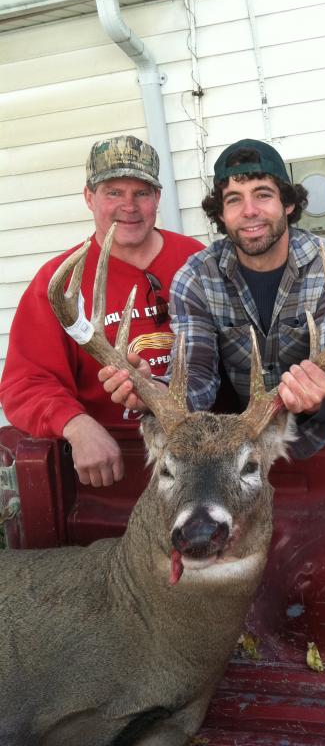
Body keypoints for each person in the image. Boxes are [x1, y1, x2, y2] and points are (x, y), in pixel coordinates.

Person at [100, 138, 325, 459]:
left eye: (263, 195)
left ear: (288, 204)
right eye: (234, 200)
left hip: (323, 443)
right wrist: (155, 392)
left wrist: (322, 394)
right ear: (221, 214)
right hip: (240, 453)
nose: (249, 211)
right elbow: (197, 378)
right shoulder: (197, 278)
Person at [0, 135, 202, 487]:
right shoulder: (60, 281)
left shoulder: (197, 261)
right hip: (114, 463)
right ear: (89, 197)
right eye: (113, 192)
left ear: (157, 198)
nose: (129, 206)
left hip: (200, 453)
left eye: (141, 192)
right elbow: (25, 383)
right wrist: (76, 425)